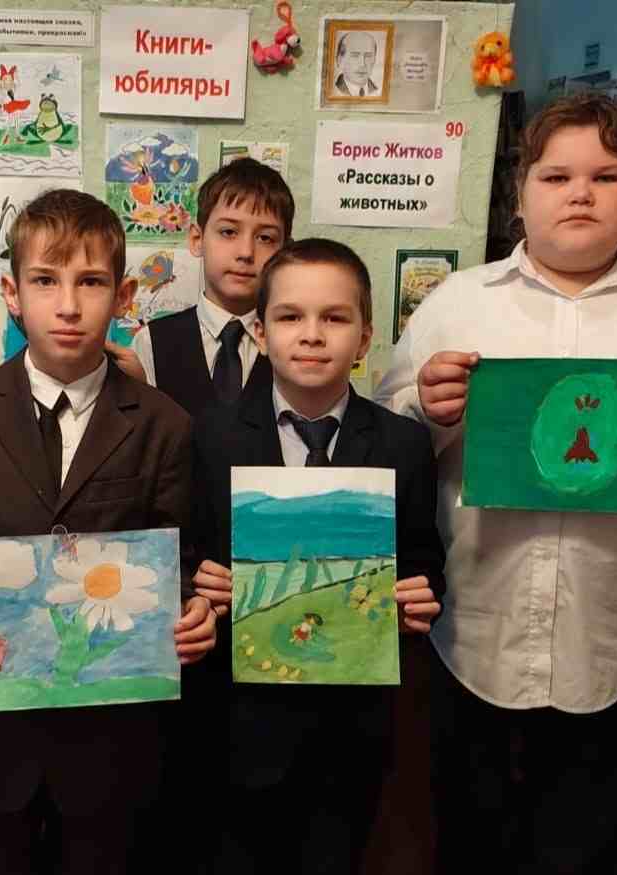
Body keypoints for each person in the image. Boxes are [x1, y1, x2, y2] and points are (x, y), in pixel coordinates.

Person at [374, 93, 617, 872]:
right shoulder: (457, 304)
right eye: (556, 176)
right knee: (471, 833)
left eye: (606, 176)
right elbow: (383, 443)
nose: (580, 193)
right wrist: (425, 408)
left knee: (593, 838)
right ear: (521, 195)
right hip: (477, 629)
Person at [0, 189, 216, 874]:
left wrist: (195, 609)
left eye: (91, 282)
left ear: (124, 295)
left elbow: (179, 558)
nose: (68, 305)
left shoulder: (165, 426)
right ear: (13, 293)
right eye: (45, 281)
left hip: (110, 745)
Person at [190, 238, 445, 873]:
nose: (311, 335)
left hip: (351, 726)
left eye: (334, 317)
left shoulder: (405, 445)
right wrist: (200, 582)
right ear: (259, 331)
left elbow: (423, 558)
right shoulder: (210, 436)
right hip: (240, 721)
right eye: (290, 317)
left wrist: (419, 596)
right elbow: (189, 547)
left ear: (364, 339)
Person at [118, 157, 293, 411]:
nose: (245, 252)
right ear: (197, 239)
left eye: (265, 238)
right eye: (228, 232)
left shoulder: (295, 342)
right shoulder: (150, 343)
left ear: (285, 251)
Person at [332, 31, 382, 97]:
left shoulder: (379, 91)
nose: (362, 64)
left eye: (368, 56)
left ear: (374, 60)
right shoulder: (333, 91)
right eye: (355, 56)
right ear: (340, 60)